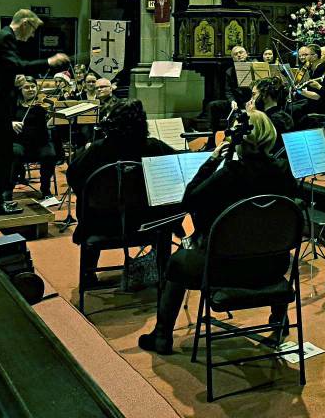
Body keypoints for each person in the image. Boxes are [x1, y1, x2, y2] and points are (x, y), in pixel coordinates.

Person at [137, 110, 296, 355]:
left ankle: (162, 335)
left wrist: (211, 161)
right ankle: (279, 320)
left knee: (178, 261)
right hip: (274, 264)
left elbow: (189, 201)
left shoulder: (229, 173)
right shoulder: (283, 170)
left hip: (223, 268)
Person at [66, 100, 178, 280]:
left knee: (88, 206)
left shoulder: (97, 149)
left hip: (101, 223)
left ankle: (88, 276)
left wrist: (95, 198)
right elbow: (176, 173)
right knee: (166, 212)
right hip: (146, 224)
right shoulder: (154, 147)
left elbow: (73, 176)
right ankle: (162, 271)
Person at [0, 10, 68, 216]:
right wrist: (49, 62)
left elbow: (8, 69)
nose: (32, 36)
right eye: (33, 30)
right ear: (25, 23)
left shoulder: (1, 37)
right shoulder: (5, 37)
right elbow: (17, 66)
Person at [11, 78, 58, 198]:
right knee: (14, 153)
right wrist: (11, 123)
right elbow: (1, 119)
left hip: (41, 142)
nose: (31, 89)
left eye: (33, 86)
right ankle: (8, 190)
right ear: (20, 89)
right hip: (19, 142)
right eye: (27, 87)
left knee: (50, 155)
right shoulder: (13, 105)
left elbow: (50, 124)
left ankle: (45, 189)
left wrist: (53, 115)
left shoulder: (42, 105)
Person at [205, 45, 251, 148]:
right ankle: (211, 140)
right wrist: (232, 101)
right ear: (233, 58)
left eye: (241, 52)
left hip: (250, 101)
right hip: (236, 102)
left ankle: (233, 144)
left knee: (236, 115)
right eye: (235, 54)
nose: (239, 55)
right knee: (213, 105)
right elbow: (228, 90)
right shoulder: (229, 71)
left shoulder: (253, 67)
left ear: (246, 54)